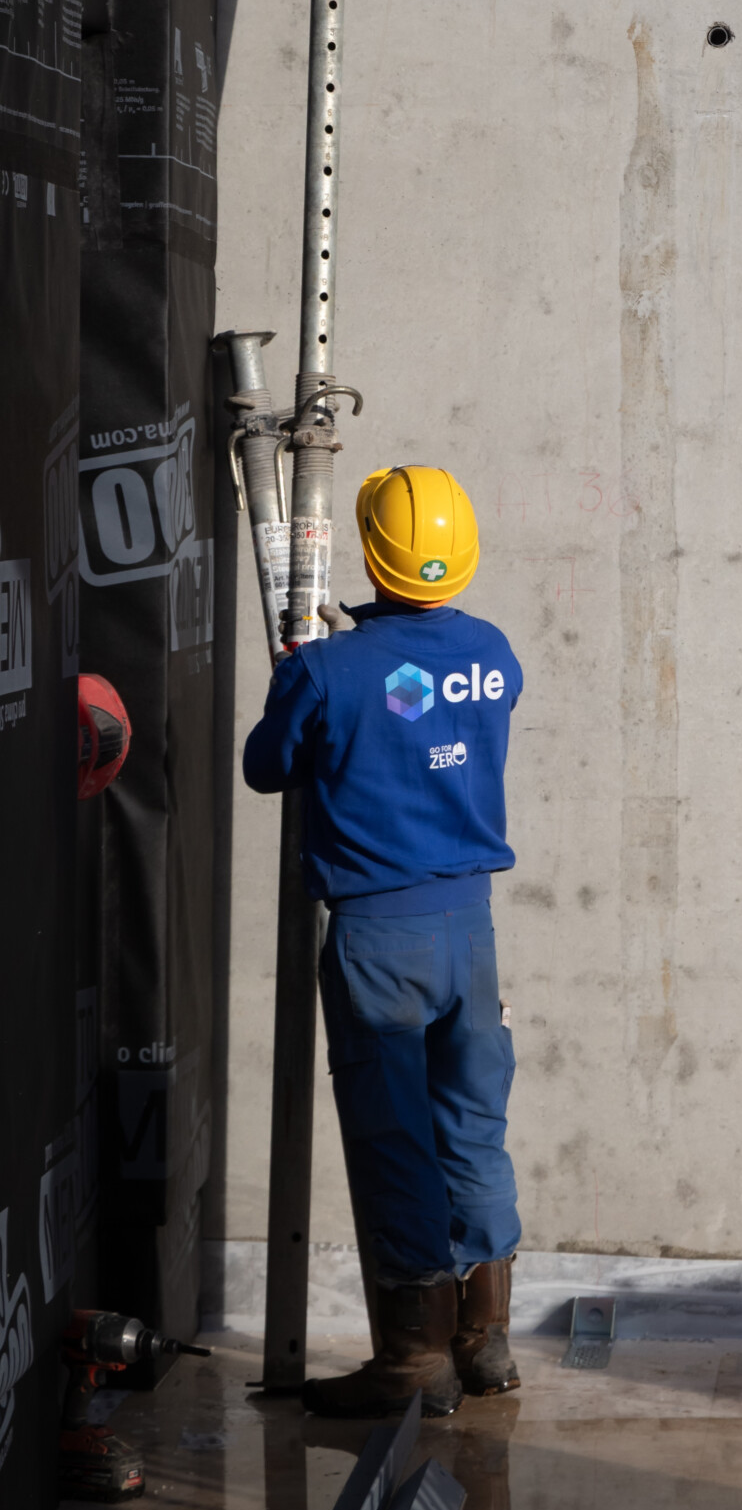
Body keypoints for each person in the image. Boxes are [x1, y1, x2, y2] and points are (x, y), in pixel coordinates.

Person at [243, 464, 523, 1417]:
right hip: (469, 929)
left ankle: (414, 1364)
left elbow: (265, 767)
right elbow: (435, 705)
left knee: (394, 1141)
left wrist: (305, 672)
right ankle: (486, 1345)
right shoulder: (495, 652)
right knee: (473, 1128)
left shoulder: (327, 670)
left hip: (377, 935)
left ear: (370, 551)